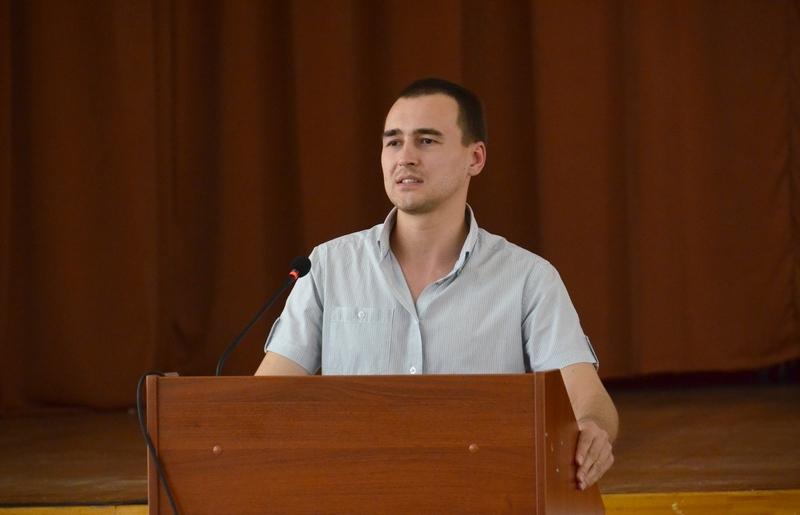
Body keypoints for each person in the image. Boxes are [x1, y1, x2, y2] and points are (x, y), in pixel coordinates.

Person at [255, 78, 617, 490]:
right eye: (394, 142)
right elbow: (265, 400)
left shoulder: (528, 279)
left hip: (484, 492)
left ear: (475, 158)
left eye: (426, 141)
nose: (405, 158)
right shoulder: (326, 267)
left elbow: (587, 399)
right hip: (355, 491)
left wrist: (592, 427)